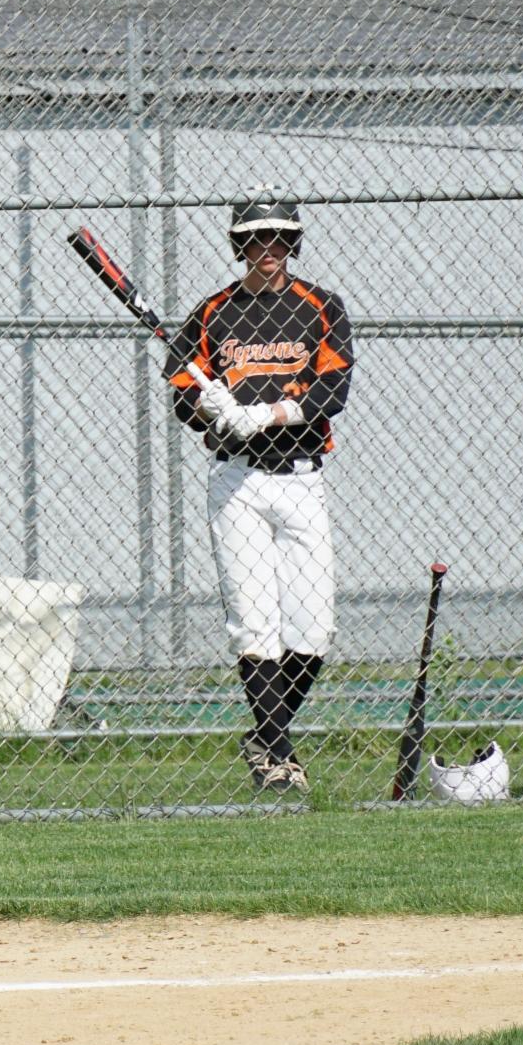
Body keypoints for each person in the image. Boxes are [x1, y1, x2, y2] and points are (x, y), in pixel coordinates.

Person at [167, 200, 354, 793]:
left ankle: (264, 733)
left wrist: (268, 414)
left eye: (278, 237)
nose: (267, 248)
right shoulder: (213, 313)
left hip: (301, 478)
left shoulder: (322, 306)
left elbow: (334, 389)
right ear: (238, 245)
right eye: (255, 238)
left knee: (315, 630)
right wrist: (212, 408)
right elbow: (181, 393)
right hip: (237, 482)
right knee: (255, 626)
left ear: (292, 242)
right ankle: (276, 756)